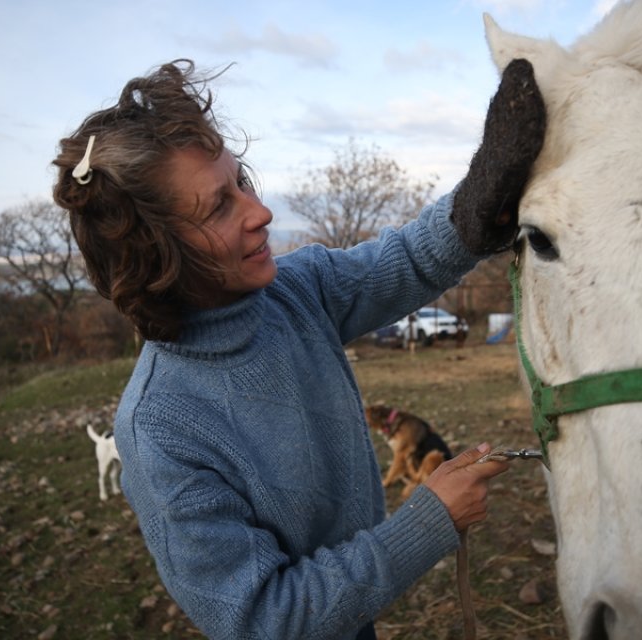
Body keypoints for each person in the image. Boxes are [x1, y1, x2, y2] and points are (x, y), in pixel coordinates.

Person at [51, 58, 545, 639]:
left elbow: (408, 260)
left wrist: (483, 197)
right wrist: (429, 520)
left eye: (243, 183)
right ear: (156, 255)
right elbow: (265, 618)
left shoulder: (295, 289)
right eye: (219, 206)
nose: (260, 214)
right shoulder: (160, 432)